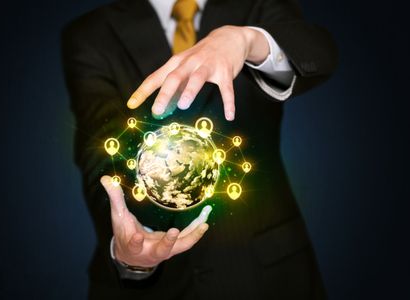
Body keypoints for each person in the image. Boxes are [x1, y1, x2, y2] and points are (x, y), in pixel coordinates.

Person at [61, 0, 337, 298]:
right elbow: (101, 152)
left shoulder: (255, 4)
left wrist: (246, 39)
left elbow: (319, 52)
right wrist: (131, 247)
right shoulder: (91, 33)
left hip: (268, 276)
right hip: (154, 287)